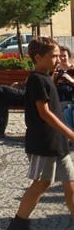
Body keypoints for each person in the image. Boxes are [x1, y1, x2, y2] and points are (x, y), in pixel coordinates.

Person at [6, 37, 74, 230]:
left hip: (57, 142)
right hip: (45, 142)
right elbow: (44, 112)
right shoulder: (36, 79)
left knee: (70, 182)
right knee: (42, 184)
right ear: (38, 57)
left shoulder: (45, 76)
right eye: (53, 56)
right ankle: (18, 223)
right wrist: (70, 132)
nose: (58, 60)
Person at [0, 45, 74, 137]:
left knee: (2, 89)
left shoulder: (71, 71)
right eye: (59, 56)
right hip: (31, 94)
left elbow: (47, 87)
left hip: (45, 98)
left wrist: (68, 79)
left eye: (64, 56)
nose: (61, 59)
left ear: (69, 57)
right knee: (1, 97)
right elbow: (31, 82)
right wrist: (18, 84)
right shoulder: (51, 69)